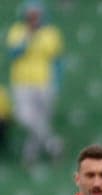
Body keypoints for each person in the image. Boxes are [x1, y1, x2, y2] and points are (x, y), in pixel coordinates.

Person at [5, 0, 64, 164]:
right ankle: (53, 144)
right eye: (30, 15)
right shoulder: (17, 31)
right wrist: (28, 36)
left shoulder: (51, 33)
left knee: (42, 119)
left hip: (44, 82)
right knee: (24, 116)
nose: (33, 19)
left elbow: (57, 59)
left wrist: (57, 82)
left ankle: (29, 156)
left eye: (36, 15)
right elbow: (15, 53)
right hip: (22, 82)